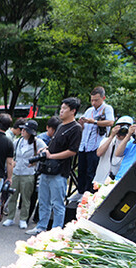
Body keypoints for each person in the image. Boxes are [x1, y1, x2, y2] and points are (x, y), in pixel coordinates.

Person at [29, 97, 83, 234]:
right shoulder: (60, 126)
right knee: (43, 201)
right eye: (61, 108)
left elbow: (72, 151)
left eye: (65, 108)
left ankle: (56, 231)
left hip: (59, 171)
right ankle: (41, 227)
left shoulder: (76, 128)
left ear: (73, 111)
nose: (61, 111)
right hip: (47, 169)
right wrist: (46, 150)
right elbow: (54, 146)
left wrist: (52, 156)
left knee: (57, 204)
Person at [3, 120, 46, 229]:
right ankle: (10, 218)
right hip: (16, 172)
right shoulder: (17, 142)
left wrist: (37, 161)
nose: (22, 131)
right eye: (22, 129)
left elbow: (45, 151)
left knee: (26, 198)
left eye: (25, 130)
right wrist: (12, 162)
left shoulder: (37, 142)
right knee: (12, 196)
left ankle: (23, 219)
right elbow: (10, 154)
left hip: (28, 174)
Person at [76, 87, 115, 193]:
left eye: (96, 100)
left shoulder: (107, 109)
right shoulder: (89, 110)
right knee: (81, 170)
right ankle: (80, 192)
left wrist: (94, 122)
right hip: (84, 145)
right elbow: (84, 125)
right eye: (92, 100)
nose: (93, 103)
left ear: (103, 98)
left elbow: (111, 122)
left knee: (91, 171)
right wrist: (82, 123)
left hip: (96, 145)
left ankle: (89, 193)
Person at [94, 115, 133, 183]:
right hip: (101, 179)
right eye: (120, 126)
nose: (123, 128)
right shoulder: (107, 140)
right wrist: (112, 136)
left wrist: (128, 135)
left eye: (126, 126)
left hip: (119, 180)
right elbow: (99, 153)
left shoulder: (132, 143)